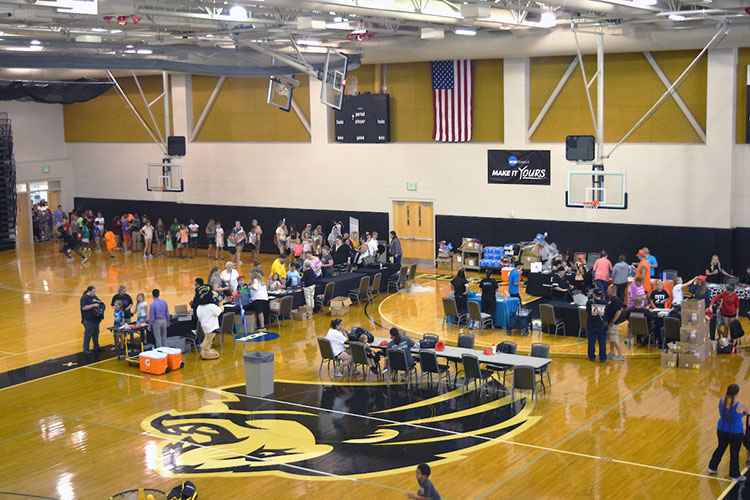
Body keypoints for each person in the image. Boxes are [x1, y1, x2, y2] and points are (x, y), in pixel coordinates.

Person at [708, 384, 748, 481]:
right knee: (734, 453)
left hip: (721, 429)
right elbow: (747, 412)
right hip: (736, 432)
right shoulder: (740, 405)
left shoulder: (722, 400)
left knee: (720, 448)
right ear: (736, 393)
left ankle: (712, 467)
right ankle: (734, 475)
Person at [80, 286, 105, 355]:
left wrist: (97, 301)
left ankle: (96, 346)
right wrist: (93, 305)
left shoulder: (94, 297)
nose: (94, 293)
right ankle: (86, 349)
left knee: (96, 333)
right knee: (88, 335)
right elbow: (84, 308)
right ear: (89, 291)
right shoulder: (84, 298)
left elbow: (100, 302)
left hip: (95, 319)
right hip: (88, 320)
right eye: (93, 291)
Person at [587, 288, 607, 362]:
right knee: (602, 342)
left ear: (594, 294)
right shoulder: (605, 303)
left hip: (591, 324)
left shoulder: (589, 303)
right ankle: (603, 357)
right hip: (601, 325)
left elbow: (588, 312)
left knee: (591, 341)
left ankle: (591, 356)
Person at [605, 285, 625, 360]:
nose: (607, 291)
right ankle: (611, 352)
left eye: (608, 290)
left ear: (613, 291)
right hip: (611, 322)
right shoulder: (611, 299)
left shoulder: (615, 300)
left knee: (614, 337)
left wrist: (613, 321)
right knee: (611, 338)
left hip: (614, 323)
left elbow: (619, 311)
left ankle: (620, 355)